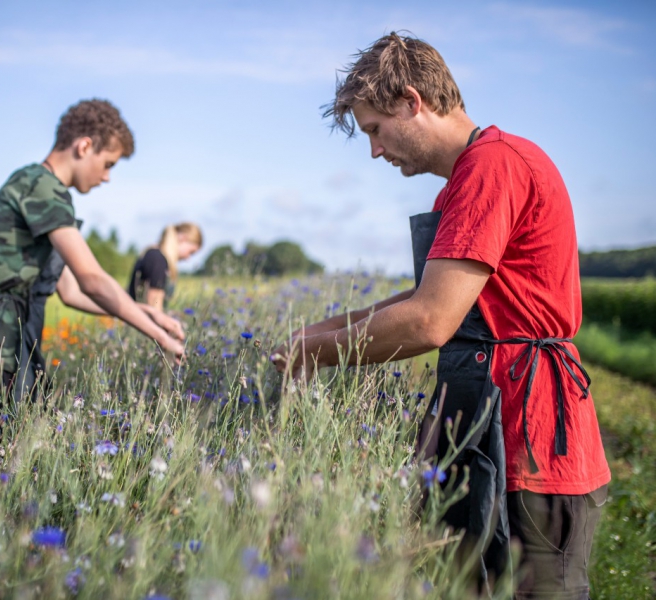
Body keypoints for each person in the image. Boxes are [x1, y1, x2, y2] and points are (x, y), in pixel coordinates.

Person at [273, 33, 610, 599]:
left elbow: (431, 320)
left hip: (531, 441)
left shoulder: (493, 167)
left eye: (375, 130)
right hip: (487, 427)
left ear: (412, 101)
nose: (375, 151)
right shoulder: (464, 180)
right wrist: (321, 331)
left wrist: (313, 352)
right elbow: (426, 295)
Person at [0, 99, 185, 418]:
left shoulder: (46, 192)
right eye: (109, 164)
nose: (107, 177)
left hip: (13, 351)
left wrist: (144, 311)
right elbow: (92, 279)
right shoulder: (40, 186)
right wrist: (157, 335)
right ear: (84, 146)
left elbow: (71, 291)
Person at [128, 223, 203, 312]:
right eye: (191, 252)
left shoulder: (154, 255)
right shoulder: (158, 259)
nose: (188, 258)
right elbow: (154, 307)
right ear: (183, 238)